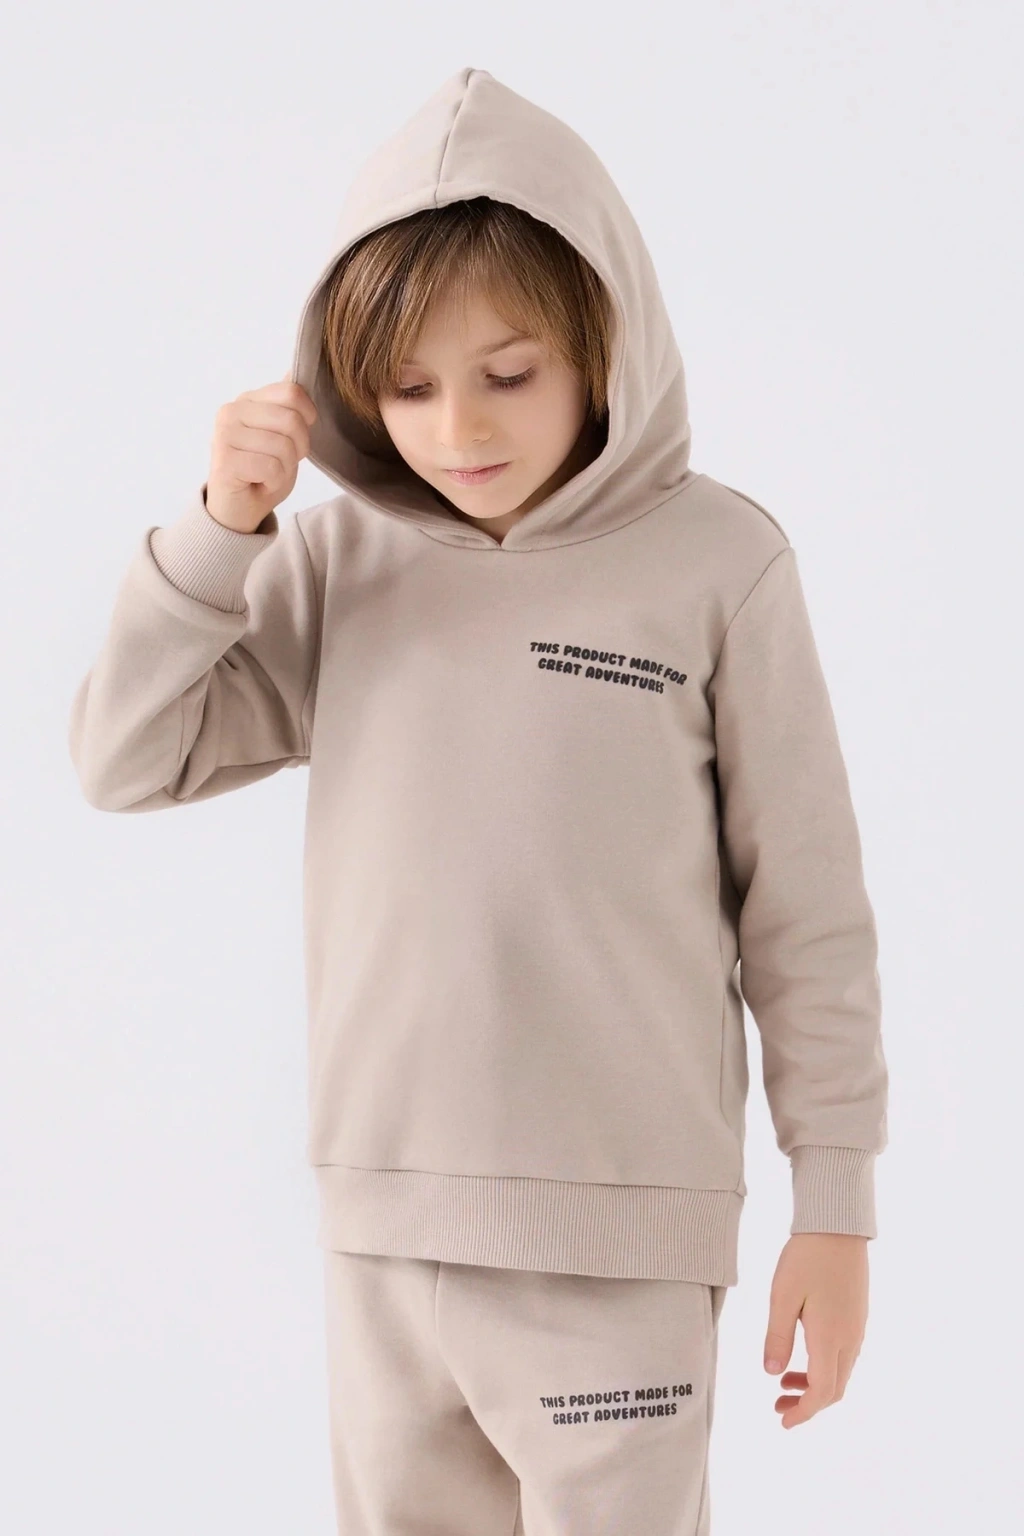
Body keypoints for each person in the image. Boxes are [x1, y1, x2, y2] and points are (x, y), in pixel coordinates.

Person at [68, 66, 889, 1535]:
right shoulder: (335, 567)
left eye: (509, 374)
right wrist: (217, 534)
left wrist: (835, 1207)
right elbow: (125, 756)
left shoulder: (720, 564)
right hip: (383, 1235)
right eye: (408, 388)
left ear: (603, 344)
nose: (459, 429)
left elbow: (807, 915)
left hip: (619, 1245)